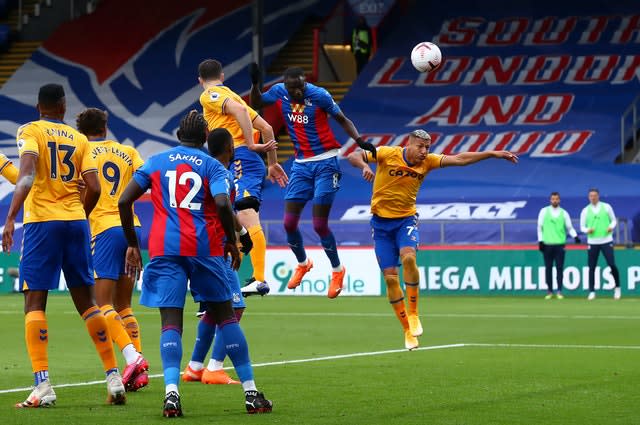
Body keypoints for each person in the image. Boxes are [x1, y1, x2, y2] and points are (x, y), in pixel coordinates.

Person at [118, 111, 272, 417]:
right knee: (226, 316)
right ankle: (251, 393)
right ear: (204, 138)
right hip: (204, 248)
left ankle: (172, 394)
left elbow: (124, 201)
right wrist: (231, 240)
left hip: (164, 248)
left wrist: (133, 245)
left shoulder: (156, 161)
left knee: (170, 322)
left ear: (178, 136)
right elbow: (224, 203)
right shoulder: (213, 166)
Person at [2, 84, 126, 408]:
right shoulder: (80, 139)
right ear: (62, 106)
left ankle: (42, 386)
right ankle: (114, 378)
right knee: (87, 302)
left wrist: (11, 217)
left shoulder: (31, 130)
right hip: (76, 222)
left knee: (34, 301)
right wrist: (79, 215)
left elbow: (28, 176)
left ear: (38, 106)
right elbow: (95, 187)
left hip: (43, 223)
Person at [348, 129, 517, 349]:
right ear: (409, 144)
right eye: (421, 146)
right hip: (380, 225)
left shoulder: (428, 162)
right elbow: (354, 155)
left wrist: (493, 154)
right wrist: (363, 166)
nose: (424, 151)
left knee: (408, 258)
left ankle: (415, 313)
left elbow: (460, 159)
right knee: (390, 278)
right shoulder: (386, 153)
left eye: (427, 147)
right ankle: (407, 330)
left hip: (405, 221)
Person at [250, 65, 376, 298]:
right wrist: (255, 84)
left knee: (319, 224)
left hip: (326, 162)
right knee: (288, 223)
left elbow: (342, 119)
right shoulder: (279, 91)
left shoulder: (319, 95)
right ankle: (303, 263)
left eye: (300, 86)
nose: (296, 92)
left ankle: (337, 270)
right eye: (292, 88)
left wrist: (359, 141)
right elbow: (256, 103)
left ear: (304, 82)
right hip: (300, 165)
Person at [198, 59, 288, 297]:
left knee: (246, 216)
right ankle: (227, 280)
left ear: (200, 80)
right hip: (243, 161)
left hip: (240, 159)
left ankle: (259, 279)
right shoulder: (233, 96)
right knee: (233, 218)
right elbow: (268, 128)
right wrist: (273, 163)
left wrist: (249, 144)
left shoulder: (211, 95)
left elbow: (241, 114)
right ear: (223, 75)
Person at [76, 108, 149, 391]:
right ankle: (139, 374)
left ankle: (133, 358)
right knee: (124, 305)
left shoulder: (81, 150)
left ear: (82, 130)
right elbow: (146, 181)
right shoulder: (127, 151)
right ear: (105, 127)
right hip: (132, 227)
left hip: (104, 228)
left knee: (101, 304)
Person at [182, 128, 254, 385]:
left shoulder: (202, 169)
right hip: (216, 246)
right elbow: (223, 206)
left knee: (214, 308)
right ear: (230, 148)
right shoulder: (221, 173)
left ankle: (194, 366)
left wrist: (242, 231)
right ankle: (215, 367)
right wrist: (236, 238)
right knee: (235, 307)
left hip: (194, 244)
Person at [537, 192, 580, 300]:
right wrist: (540, 241)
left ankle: (559, 291)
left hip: (560, 245)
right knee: (548, 269)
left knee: (559, 268)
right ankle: (550, 291)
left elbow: (569, 227)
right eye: (553, 199)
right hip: (547, 245)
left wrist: (575, 236)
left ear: (559, 200)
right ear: (550, 200)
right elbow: (539, 227)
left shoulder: (564, 213)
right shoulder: (544, 211)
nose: (554, 201)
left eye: (556, 199)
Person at [579, 188, 621, 300]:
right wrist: (587, 230)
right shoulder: (585, 210)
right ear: (588, 197)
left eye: (595, 195)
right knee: (591, 267)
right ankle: (592, 291)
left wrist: (610, 227)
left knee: (611, 264)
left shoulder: (606, 207)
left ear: (598, 196)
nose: (593, 197)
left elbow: (613, 220)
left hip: (606, 240)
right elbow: (582, 227)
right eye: (591, 196)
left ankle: (617, 288)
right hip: (592, 242)